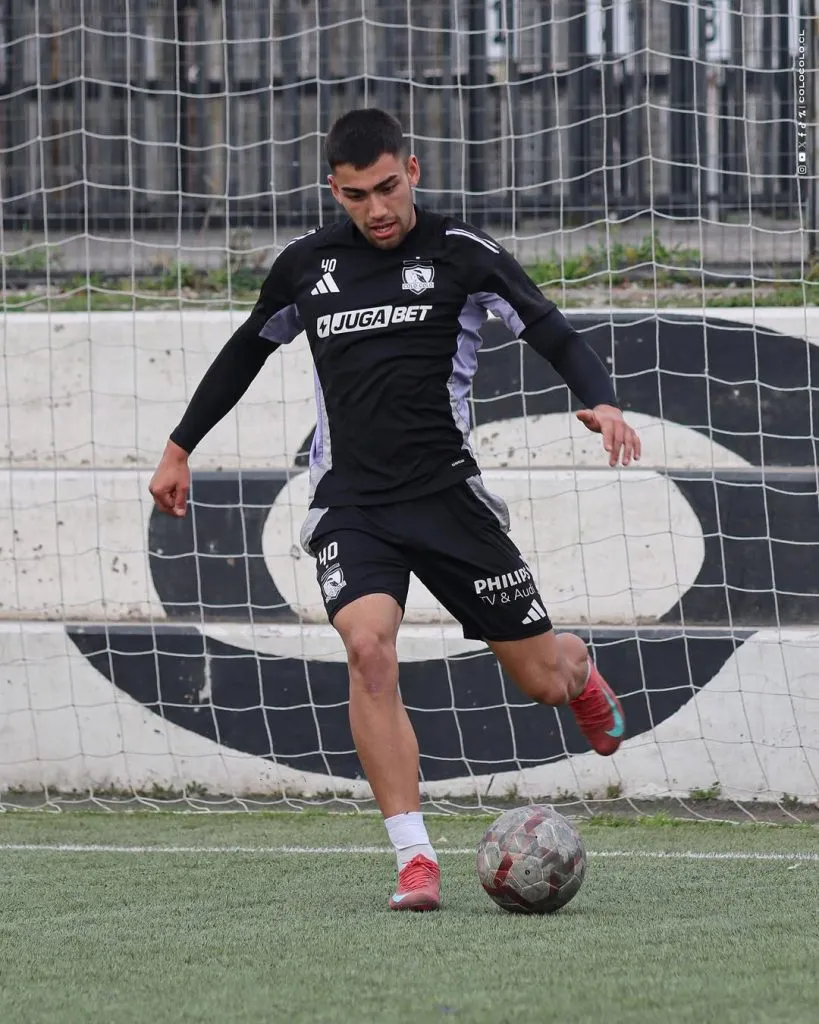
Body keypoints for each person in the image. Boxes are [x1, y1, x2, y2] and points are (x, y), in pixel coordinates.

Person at [149, 108, 641, 912]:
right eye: (354, 196)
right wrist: (179, 446)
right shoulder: (307, 267)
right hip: (353, 502)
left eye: (386, 188)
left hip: (447, 500)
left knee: (542, 680)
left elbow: (549, 328)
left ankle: (577, 669)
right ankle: (414, 859)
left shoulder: (462, 255)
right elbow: (245, 348)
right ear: (334, 191)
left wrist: (600, 401)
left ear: (411, 170)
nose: (375, 210)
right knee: (368, 649)